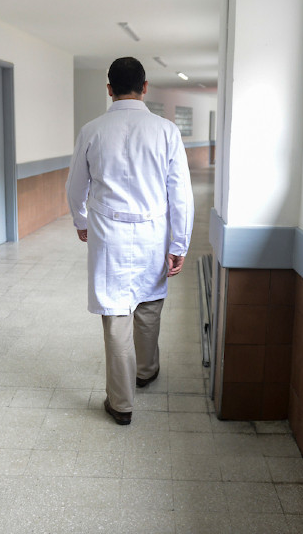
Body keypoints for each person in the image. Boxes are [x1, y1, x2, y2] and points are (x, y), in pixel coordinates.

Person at [66, 57, 194, 426]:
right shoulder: (166, 131)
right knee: (149, 305)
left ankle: (121, 403)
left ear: (109, 89)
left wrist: (81, 220)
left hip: (109, 235)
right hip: (153, 233)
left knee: (116, 314)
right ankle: (146, 371)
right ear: (145, 86)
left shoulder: (92, 130)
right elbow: (181, 194)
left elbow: (75, 186)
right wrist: (179, 244)